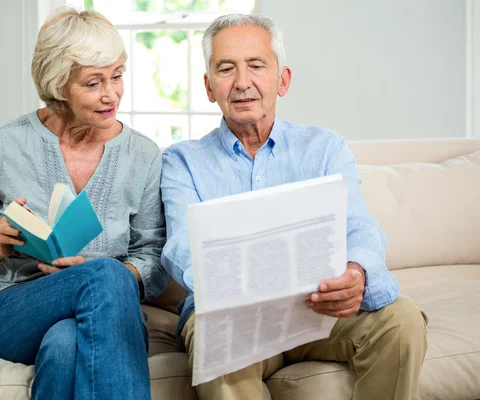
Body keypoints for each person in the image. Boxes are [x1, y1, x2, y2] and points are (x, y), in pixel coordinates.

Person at [160, 13, 428, 400]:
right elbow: (181, 247)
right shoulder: (182, 161)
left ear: (282, 79)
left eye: (256, 65)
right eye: (225, 69)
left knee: (402, 320)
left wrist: (357, 271)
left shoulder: (325, 148)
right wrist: (246, 281)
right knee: (211, 336)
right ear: (208, 86)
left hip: (319, 312)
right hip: (232, 317)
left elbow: (358, 224)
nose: (242, 82)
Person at [0, 8, 166, 400]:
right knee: (105, 275)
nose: (111, 93)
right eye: (93, 82)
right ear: (59, 84)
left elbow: (151, 258)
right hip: (7, 308)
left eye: (117, 76)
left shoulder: (143, 155)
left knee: (66, 342)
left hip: (102, 315)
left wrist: (101, 278)